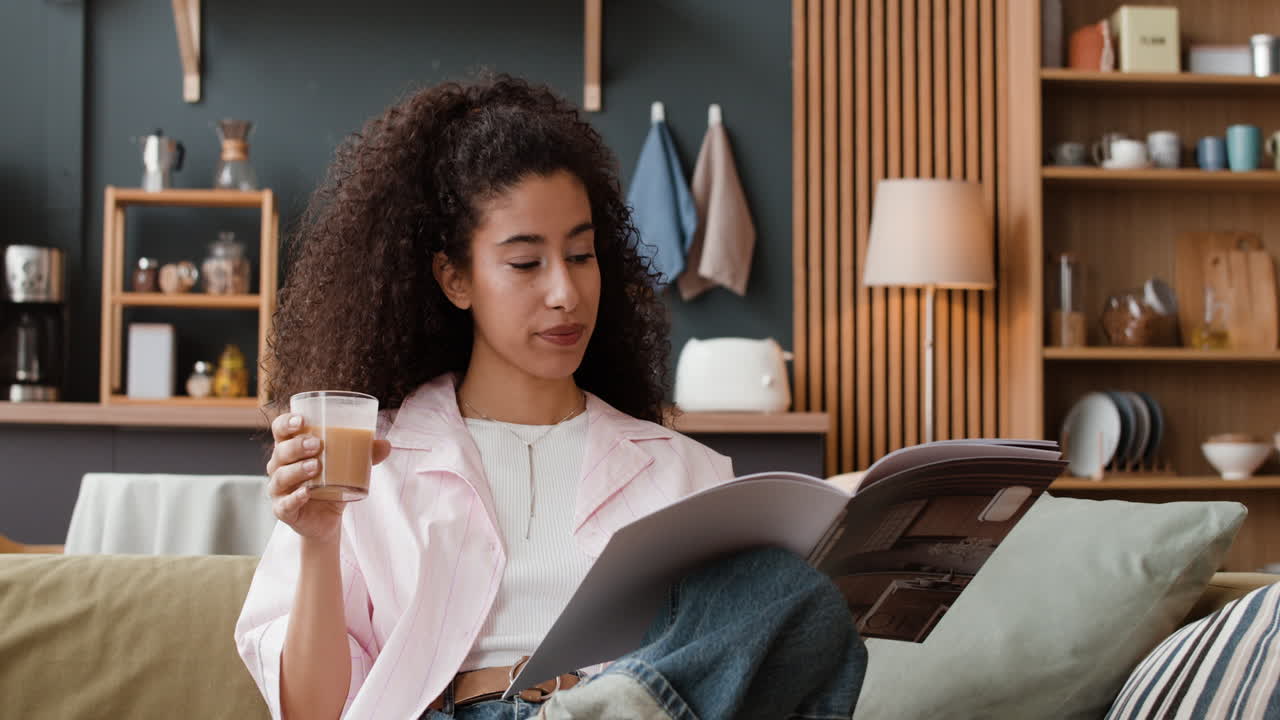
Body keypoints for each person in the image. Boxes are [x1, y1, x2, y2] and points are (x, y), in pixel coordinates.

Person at [234, 74, 866, 720]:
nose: (566, 292)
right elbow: (312, 713)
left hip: (623, 704)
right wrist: (317, 540)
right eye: (527, 263)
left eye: (583, 255)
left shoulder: (682, 470)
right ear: (455, 278)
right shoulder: (371, 462)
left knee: (801, 597)